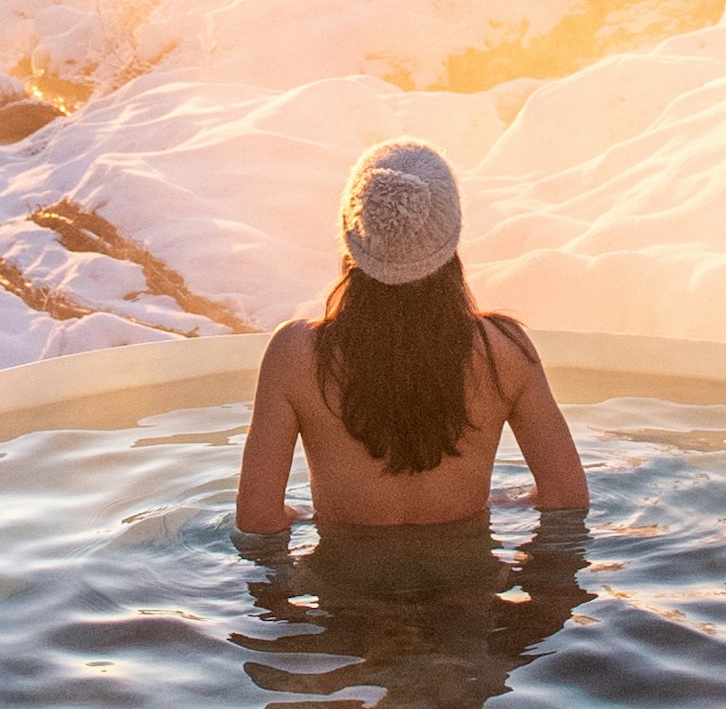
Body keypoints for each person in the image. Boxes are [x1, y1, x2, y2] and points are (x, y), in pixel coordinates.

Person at [234, 139, 588, 532]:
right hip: (469, 589)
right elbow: (566, 500)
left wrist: (310, 518)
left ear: (353, 236)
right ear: (449, 236)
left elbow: (258, 520)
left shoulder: (295, 356)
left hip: (348, 590)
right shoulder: (505, 351)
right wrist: (501, 506)